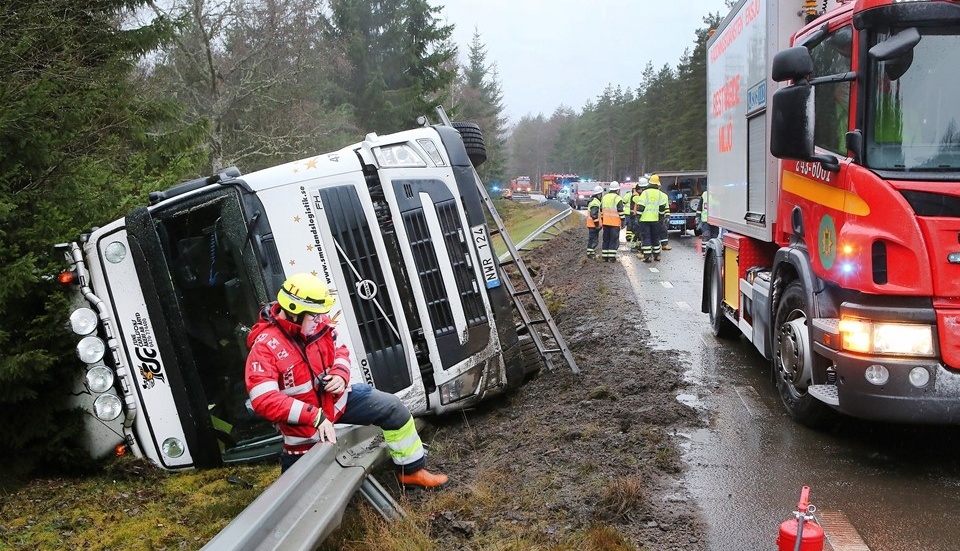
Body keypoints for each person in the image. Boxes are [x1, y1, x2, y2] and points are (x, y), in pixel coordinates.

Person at [245, 273, 449, 487]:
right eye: (314, 316)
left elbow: (340, 349)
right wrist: (314, 416)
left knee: (393, 409)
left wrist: (341, 375)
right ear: (294, 312)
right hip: (304, 428)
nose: (319, 320)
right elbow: (264, 399)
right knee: (297, 494)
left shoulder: (319, 323)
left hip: (337, 402)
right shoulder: (265, 347)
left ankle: (412, 471)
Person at [635, 178, 665, 263]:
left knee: (646, 238)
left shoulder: (645, 193)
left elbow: (641, 207)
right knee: (655, 237)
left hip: (644, 219)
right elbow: (662, 208)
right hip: (655, 219)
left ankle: (647, 256)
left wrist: (638, 217)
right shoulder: (660, 194)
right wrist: (661, 218)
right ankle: (657, 255)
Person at [599, 181, 624, 262]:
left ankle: (604, 257)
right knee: (613, 240)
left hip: (606, 223)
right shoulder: (618, 198)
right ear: (617, 190)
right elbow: (620, 211)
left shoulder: (604, 198)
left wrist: (602, 220)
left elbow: (601, 210)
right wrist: (623, 220)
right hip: (614, 223)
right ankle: (611, 257)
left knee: (606, 239)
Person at [649, 175, 672, 251]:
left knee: (658, 231)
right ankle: (662, 245)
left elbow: (666, 207)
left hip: (652, 216)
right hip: (659, 216)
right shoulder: (663, 195)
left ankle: (658, 246)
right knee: (662, 230)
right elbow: (666, 207)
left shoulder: (647, 194)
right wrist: (667, 216)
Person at [585, 185, 604, 259]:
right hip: (593, 225)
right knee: (593, 240)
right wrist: (597, 224)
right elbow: (594, 215)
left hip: (591, 225)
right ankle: (590, 254)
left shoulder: (593, 201)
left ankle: (590, 253)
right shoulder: (595, 202)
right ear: (599, 194)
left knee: (592, 239)